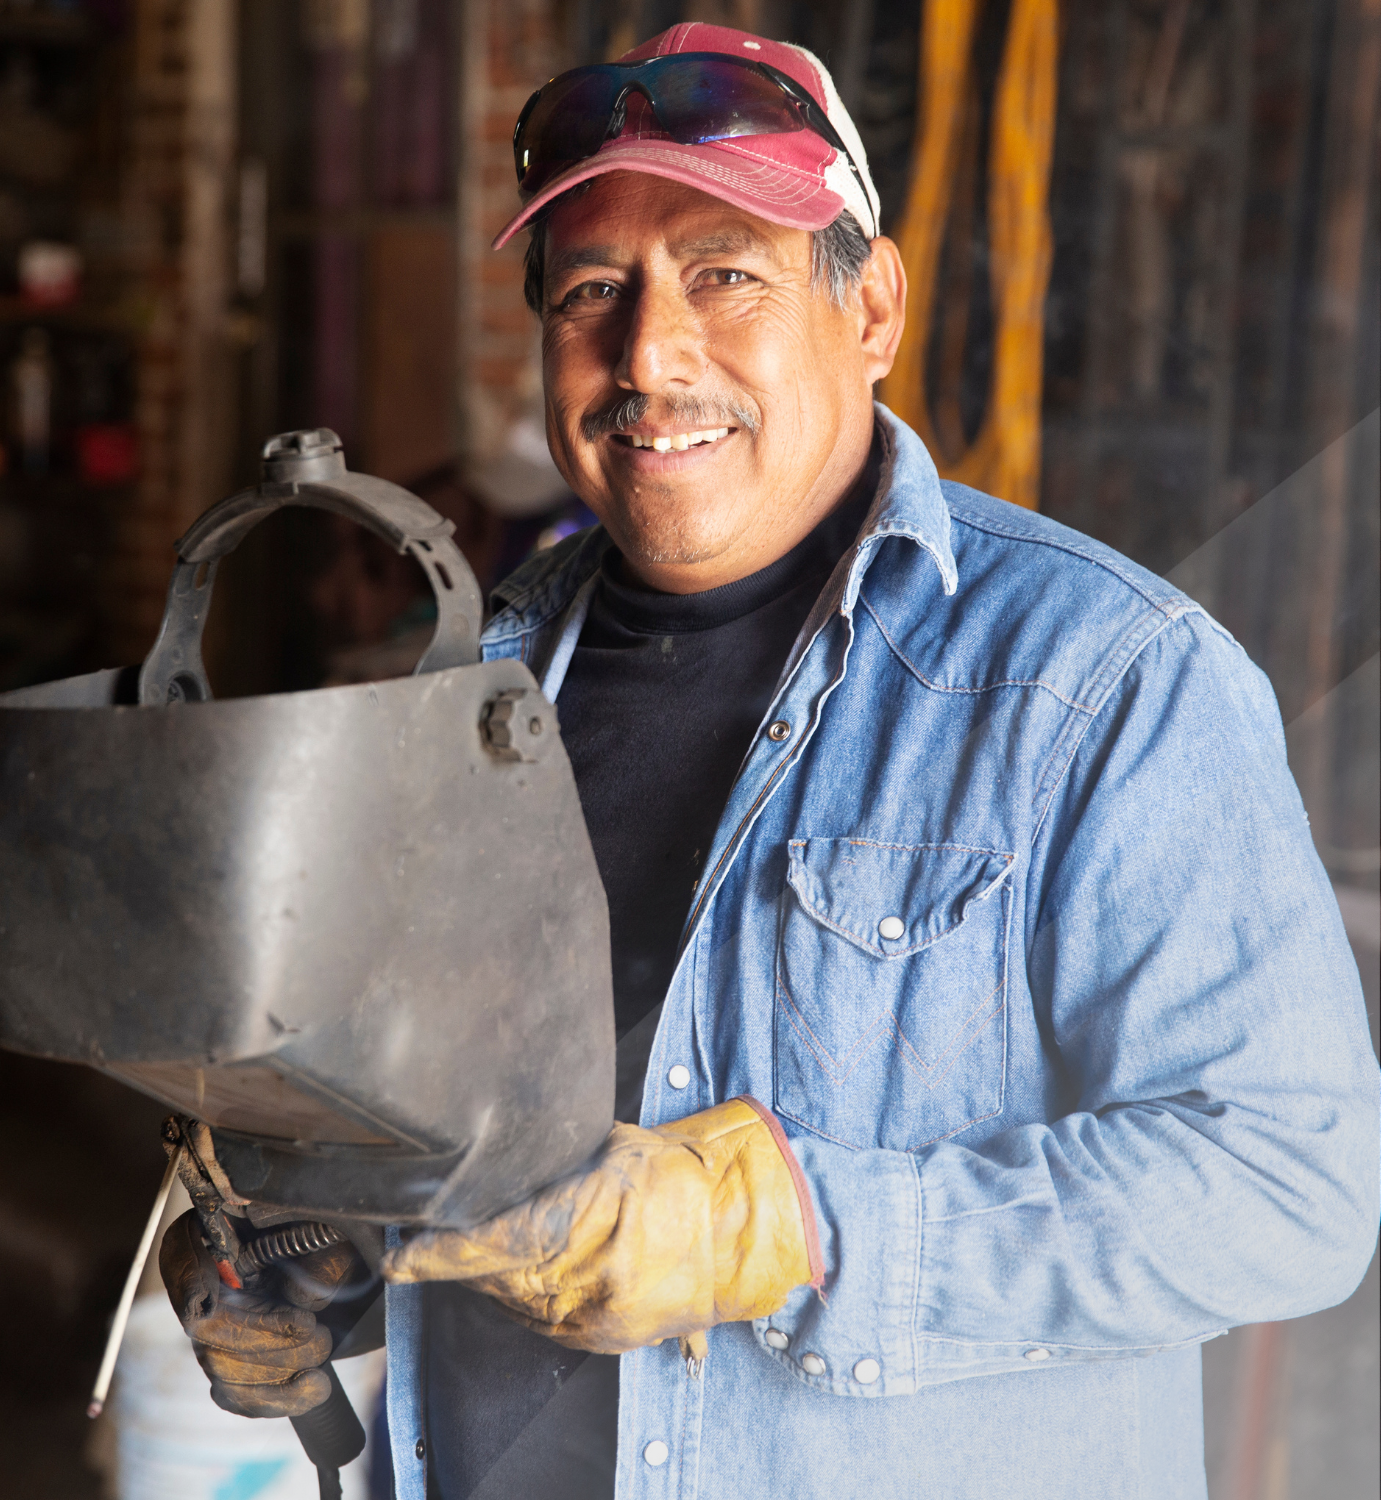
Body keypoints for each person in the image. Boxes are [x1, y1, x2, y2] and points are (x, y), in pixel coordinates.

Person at [161, 23, 1379, 1500]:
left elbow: (1292, 1186)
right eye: (592, 291)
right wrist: (320, 1261)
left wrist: (787, 1231)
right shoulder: (473, 693)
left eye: (724, 273)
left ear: (869, 310)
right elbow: (452, 1154)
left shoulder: (1102, 681)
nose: (649, 357)